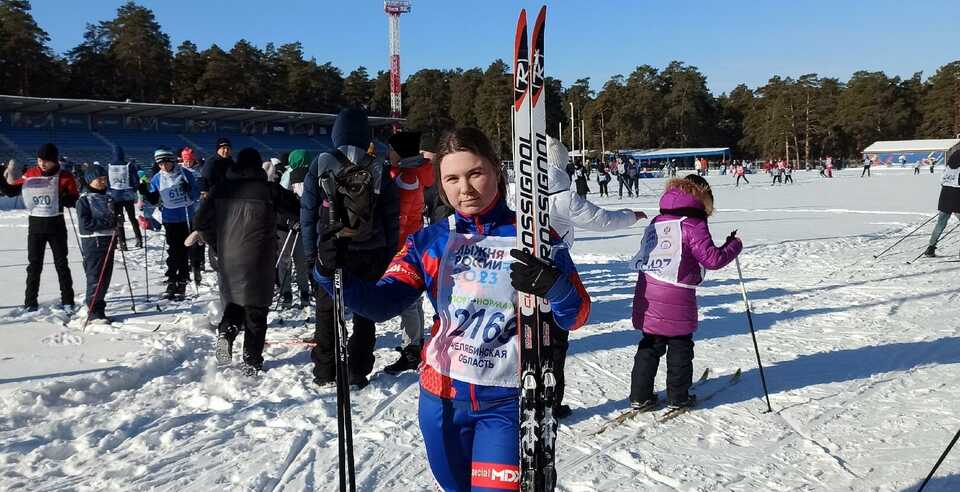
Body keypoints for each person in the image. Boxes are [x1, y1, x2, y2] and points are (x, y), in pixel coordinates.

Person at [313, 127, 590, 490]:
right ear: (441, 184)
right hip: (440, 400)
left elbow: (577, 314)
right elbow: (381, 304)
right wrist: (329, 271)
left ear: (496, 171)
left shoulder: (536, 239)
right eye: (452, 178)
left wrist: (554, 287)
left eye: (475, 173)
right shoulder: (429, 241)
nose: (465, 188)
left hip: (507, 402)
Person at [546, 136, 644, 418]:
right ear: (560, 164)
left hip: (520, 272)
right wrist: (630, 215)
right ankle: (551, 402)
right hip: (554, 272)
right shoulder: (563, 197)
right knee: (555, 340)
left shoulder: (519, 191)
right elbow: (601, 220)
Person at [301, 108, 399, 388]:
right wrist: (387, 256)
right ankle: (357, 370)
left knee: (327, 311)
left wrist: (311, 255)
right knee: (364, 314)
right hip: (370, 252)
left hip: (332, 250)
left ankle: (325, 370)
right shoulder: (377, 166)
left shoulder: (320, 163)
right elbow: (391, 219)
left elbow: (307, 215)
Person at [629, 174, 742, 410]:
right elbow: (712, 259)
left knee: (651, 342)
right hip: (677, 291)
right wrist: (734, 246)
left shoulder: (658, 220)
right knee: (680, 343)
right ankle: (678, 397)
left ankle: (640, 395)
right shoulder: (693, 224)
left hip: (648, 288)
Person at [194, 148, 300, 375]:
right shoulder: (269, 190)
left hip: (228, 257)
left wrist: (217, 243)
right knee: (256, 310)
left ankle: (226, 332)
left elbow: (200, 221)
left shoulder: (220, 188)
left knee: (234, 304)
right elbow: (297, 209)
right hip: (259, 257)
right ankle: (251, 360)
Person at [1, 144, 78, 312]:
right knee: (34, 265)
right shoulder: (30, 173)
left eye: (47, 161)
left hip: (56, 224)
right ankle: (30, 303)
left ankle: (68, 301)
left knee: (61, 264)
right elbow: (11, 191)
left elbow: (74, 199)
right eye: (40, 160)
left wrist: (65, 199)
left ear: (55, 161)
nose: (42, 164)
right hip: (36, 225)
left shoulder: (65, 176)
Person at [383, 131, 435, 375]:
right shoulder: (409, 174)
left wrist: (390, 249)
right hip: (411, 244)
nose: (387, 153)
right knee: (413, 302)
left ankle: (412, 350)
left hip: (403, 247)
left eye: (391, 149)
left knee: (408, 303)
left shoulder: (406, 178)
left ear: (401, 152)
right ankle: (414, 344)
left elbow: (398, 220)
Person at [137, 148, 200, 300]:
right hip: (170, 218)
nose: (164, 166)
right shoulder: (157, 178)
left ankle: (183, 278)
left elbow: (196, 194)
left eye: (166, 162)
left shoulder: (185, 174)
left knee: (184, 249)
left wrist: (189, 188)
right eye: (160, 164)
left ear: (172, 161)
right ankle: (172, 278)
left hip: (185, 216)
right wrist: (144, 191)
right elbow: (153, 199)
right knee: (173, 249)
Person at [76, 164, 118, 323]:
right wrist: (108, 222)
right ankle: (93, 311)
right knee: (95, 277)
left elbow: (113, 218)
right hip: (93, 242)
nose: (102, 181)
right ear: (89, 180)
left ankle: (99, 307)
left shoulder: (108, 197)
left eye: (104, 178)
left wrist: (116, 221)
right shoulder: (84, 199)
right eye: (98, 179)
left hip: (108, 240)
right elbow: (85, 224)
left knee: (105, 277)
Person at [276, 149, 312, 310]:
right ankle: (286, 293)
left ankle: (304, 291)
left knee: (301, 261)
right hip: (286, 226)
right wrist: (291, 219)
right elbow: (282, 204)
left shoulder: (310, 174)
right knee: (285, 261)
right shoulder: (287, 176)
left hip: (301, 224)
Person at [923, 151, 960, 258]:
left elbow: (942, 181)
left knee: (940, 224)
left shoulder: (948, 167)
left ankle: (930, 248)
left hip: (945, 196)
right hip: (957, 196)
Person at [106, 146, 143, 250]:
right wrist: (133, 190)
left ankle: (122, 243)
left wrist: (111, 191)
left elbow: (107, 182)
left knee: (119, 219)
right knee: (132, 218)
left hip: (115, 197)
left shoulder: (109, 166)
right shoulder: (128, 165)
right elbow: (135, 180)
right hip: (128, 196)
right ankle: (139, 239)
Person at [180, 147, 206, 285]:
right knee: (189, 237)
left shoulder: (200, 170)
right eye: (185, 160)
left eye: (190, 160)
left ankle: (200, 261)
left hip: (199, 207)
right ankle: (192, 261)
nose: (188, 162)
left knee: (199, 235)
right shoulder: (180, 171)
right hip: (186, 207)